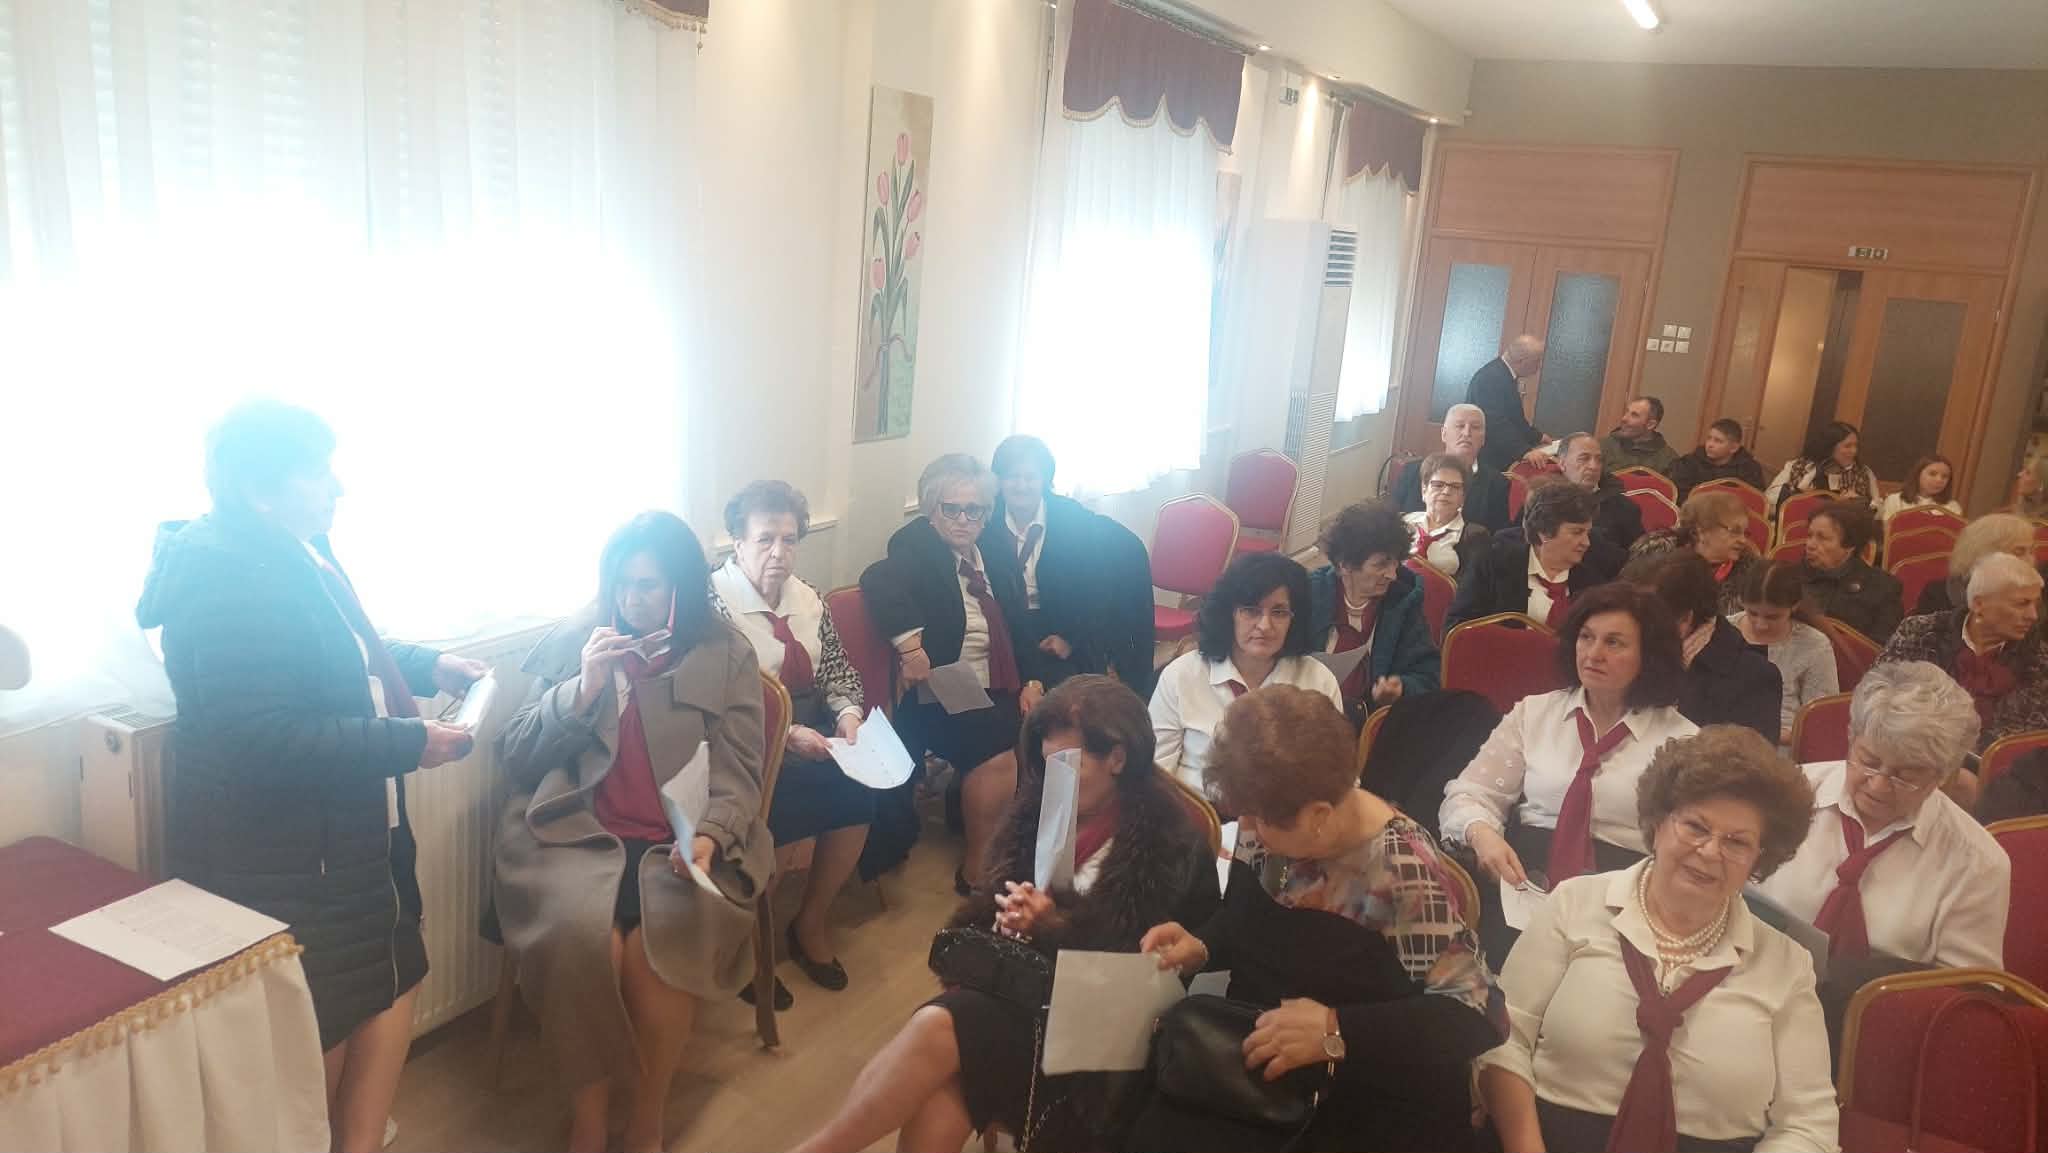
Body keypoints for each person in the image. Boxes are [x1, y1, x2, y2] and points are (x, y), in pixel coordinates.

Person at [136, 401, 484, 1153]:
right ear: (260, 490)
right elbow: (259, 737)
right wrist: (406, 742)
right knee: (315, 1030)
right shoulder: (224, 576)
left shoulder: (294, 548)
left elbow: (340, 651)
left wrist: (428, 666)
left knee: (393, 973)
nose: (338, 487)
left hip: (350, 830)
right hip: (284, 852)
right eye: (318, 472)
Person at [792, 677, 1221, 1153]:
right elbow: (988, 903)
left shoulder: (1169, 842)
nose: (1055, 778)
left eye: (1070, 765)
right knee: (945, 1072)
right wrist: (1009, 914)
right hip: (1021, 993)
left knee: (943, 1032)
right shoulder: (1043, 803)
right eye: (1048, 762)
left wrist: (1055, 927)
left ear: (1117, 759)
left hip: (1097, 1032)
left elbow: (1151, 973)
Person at [495, 511, 767, 1153]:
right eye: (621, 584)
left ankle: (647, 1116)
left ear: (681, 587)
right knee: (583, 941)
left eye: (648, 585)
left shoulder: (727, 652)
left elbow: (740, 771)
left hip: (681, 840)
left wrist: (713, 834)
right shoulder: (580, 639)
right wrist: (581, 689)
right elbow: (517, 756)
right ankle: (589, 1118)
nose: (631, 599)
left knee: (657, 955)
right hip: (575, 835)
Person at [1140, 686, 1507, 1153]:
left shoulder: (1399, 872)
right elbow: (1245, 919)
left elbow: (1478, 1016)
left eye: (1257, 821)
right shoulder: (1269, 817)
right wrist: (1203, 945)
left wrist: (1336, 1030)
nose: (1247, 831)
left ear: (1317, 815)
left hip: (1363, 1088)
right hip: (1260, 1061)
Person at [1477, 727, 1837, 1153]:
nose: (1710, 852)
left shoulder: (1787, 964)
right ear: (1660, 821)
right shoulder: (1574, 903)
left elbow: (1807, 1124)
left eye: (1737, 842)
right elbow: (1504, 1042)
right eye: (1696, 827)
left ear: (1761, 856)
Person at [1441, 584, 1698, 949]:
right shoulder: (1535, 713)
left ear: (1650, 655)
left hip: (1626, 896)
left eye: (1614, 643)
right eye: (1586, 637)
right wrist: (1483, 836)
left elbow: (1695, 845)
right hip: (1525, 882)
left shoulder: (1683, 742)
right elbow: (1469, 794)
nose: (1593, 654)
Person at [710, 481, 870, 1006]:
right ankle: (746, 948)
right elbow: (716, 698)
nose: (778, 552)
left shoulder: (809, 598)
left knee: (860, 795)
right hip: (744, 742)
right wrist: (786, 733)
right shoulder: (714, 604)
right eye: (764, 539)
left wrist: (848, 716)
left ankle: (810, 922)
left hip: (811, 731)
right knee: (780, 811)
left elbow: (838, 673)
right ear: (738, 542)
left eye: (789, 539)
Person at [860, 454, 1048, 891]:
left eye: (974, 510)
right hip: (941, 688)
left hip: (996, 680)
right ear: (932, 510)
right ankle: (977, 868)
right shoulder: (919, 547)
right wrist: (911, 647)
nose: (964, 520)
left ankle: (1021, 845)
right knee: (999, 747)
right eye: (952, 509)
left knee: (1049, 726)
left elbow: (1020, 625)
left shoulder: (992, 554)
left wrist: (1033, 681)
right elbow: (876, 580)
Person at [1756, 661, 2007, 971]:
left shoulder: (1976, 861)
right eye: (1869, 761)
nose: (1878, 785)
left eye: (1905, 775)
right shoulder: (1781, 794)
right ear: (1851, 739)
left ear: (1942, 776)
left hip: (1882, 1000)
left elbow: (1963, 987)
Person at [1150, 552, 1342, 799]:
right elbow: (1156, 773)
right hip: (1198, 813)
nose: (1264, 625)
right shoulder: (1182, 675)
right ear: (1229, 614)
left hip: (1286, 816)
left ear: (1295, 619)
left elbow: (1335, 775)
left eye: (1279, 612)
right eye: (1251, 611)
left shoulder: (1318, 680)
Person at [985, 435, 1156, 692]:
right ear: (999, 480)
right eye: (1012, 476)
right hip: (1006, 622)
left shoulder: (1071, 520)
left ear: (1045, 480)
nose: (1021, 486)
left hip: (1059, 622)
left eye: (1030, 477)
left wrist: (1070, 640)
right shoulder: (987, 519)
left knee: (1065, 694)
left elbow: (1096, 589)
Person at [1879, 553, 2048, 751]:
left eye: (2036, 605)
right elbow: (1878, 695)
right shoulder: (1919, 632)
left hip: (1987, 765)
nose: (2033, 616)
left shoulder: (2039, 660)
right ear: (1979, 604)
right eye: (2022, 604)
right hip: (1905, 748)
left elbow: (2022, 740)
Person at [1626, 551, 1783, 746]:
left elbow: (1749, 763)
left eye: (1645, 619)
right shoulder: (1631, 654)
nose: (1632, 628)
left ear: (1685, 620)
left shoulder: (1754, 677)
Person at [1308, 500, 1440, 721]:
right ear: (1345, 565)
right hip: (1306, 711)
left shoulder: (1403, 603)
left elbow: (1428, 676)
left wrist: (1402, 688)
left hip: (1369, 718)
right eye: (1380, 565)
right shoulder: (1310, 594)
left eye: (1395, 563)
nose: (1392, 575)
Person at [1445, 481, 1603, 632]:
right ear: (1545, 532)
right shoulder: (1493, 565)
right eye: (1577, 532)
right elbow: (1457, 626)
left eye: (1587, 533)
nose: (1586, 542)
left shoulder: (1592, 584)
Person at [1730, 563, 1839, 748]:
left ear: (1794, 606)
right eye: (1752, 613)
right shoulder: (1726, 630)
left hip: (1782, 744)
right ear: (1741, 602)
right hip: (1725, 736)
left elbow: (1821, 720)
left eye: (1773, 617)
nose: (1761, 625)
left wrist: (1766, 734)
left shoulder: (1814, 645)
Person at [1627, 488, 1760, 617]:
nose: (1743, 540)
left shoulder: (1749, 574)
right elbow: (1629, 599)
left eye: (1745, 533)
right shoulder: (1657, 554)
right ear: (1701, 530)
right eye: (1735, 531)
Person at [1393, 404, 1511, 531]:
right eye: (1460, 426)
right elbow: (1390, 519)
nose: (1467, 433)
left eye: (1475, 427)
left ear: (1483, 439)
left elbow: (1498, 536)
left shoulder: (1497, 484)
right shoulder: (1412, 472)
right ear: (1444, 434)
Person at [1800, 502, 1902, 643]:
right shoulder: (1790, 578)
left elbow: (1879, 649)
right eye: (1809, 535)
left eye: (1822, 538)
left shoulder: (1883, 588)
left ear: (1849, 545)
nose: (1810, 545)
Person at [1913, 511, 2035, 615]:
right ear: (1985, 553)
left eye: (2031, 551)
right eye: (2019, 552)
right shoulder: (1938, 595)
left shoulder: (2033, 595)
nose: (2030, 560)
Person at [1469, 333, 1551, 475]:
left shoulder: (1503, 373)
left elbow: (1514, 419)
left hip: (1497, 452)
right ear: (1522, 361)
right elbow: (1495, 423)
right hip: (1488, 458)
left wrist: (1538, 436)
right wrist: (1524, 451)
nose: (1539, 366)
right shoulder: (1490, 378)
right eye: (1537, 361)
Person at [1404, 451, 1494, 577]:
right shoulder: (1403, 522)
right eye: (1438, 485)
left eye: (1455, 487)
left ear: (1463, 497)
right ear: (1424, 491)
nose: (1446, 491)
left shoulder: (1475, 536)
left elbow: (1471, 584)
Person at [1765, 420, 1881, 517]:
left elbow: (1878, 512)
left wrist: (1858, 504)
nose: (1854, 451)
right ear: (1829, 447)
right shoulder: (1798, 466)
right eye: (1848, 446)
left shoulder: (1864, 472)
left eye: (1856, 446)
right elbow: (1770, 501)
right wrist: (1802, 496)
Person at [1555, 431, 1644, 554]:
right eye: (1584, 459)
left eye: (1599, 460)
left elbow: (1637, 558)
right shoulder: (1542, 500)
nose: (1594, 466)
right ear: (1562, 463)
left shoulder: (1624, 508)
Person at [1670, 417, 1766, 503]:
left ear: (1734, 448)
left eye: (1718, 441)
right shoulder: (1690, 462)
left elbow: (1754, 501)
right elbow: (1679, 494)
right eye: (1709, 438)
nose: (1710, 444)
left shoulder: (1750, 469)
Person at [1600, 396, 1679, 476]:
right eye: (1626, 412)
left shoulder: (1670, 460)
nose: (1624, 418)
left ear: (1650, 425)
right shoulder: (1603, 447)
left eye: (1634, 415)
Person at [1879, 454, 1962, 524]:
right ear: (1918, 475)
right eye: (1932, 474)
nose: (1939, 480)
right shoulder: (1895, 500)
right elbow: (1887, 532)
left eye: (1945, 476)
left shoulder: (1952, 507)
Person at [2011, 454, 2048, 520]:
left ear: (2041, 484)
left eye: (2028, 473)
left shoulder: (2044, 519)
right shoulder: (2020, 502)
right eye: (2023, 470)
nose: (2019, 474)